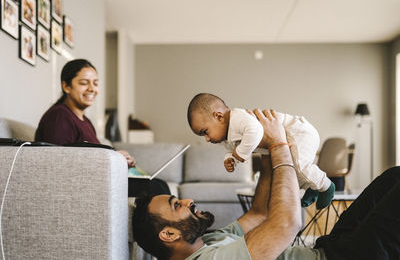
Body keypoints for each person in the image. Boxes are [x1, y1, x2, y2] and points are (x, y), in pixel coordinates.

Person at [132, 109, 400, 260]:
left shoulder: (208, 242)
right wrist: (279, 145)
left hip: (329, 250)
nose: (188, 201)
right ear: (169, 235)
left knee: (393, 177)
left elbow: (259, 213)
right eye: (176, 205)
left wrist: (266, 150)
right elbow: (286, 224)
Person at [35, 59, 170, 196]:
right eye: (83, 83)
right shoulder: (59, 116)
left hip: (97, 179)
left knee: (159, 184)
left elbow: (93, 157)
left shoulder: (86, 121)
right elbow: (58, 163)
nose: (92, 89)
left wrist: (118, 161)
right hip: (84, 184)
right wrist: (114, 159)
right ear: (66, 87)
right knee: (155, 188)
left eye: (95, 83)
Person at [187, 93, 334, 209]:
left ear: (218, 116)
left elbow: (255, 131)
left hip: (298, 132)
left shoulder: (237, 118)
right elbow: (231, 151)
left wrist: (240, 154)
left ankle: (326, 185)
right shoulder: (227, 138)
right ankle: (312, 187)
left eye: (205, 132)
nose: (206, 139)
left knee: (300, 166)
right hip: (287, 138)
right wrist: (229, 159)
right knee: (292, 171)